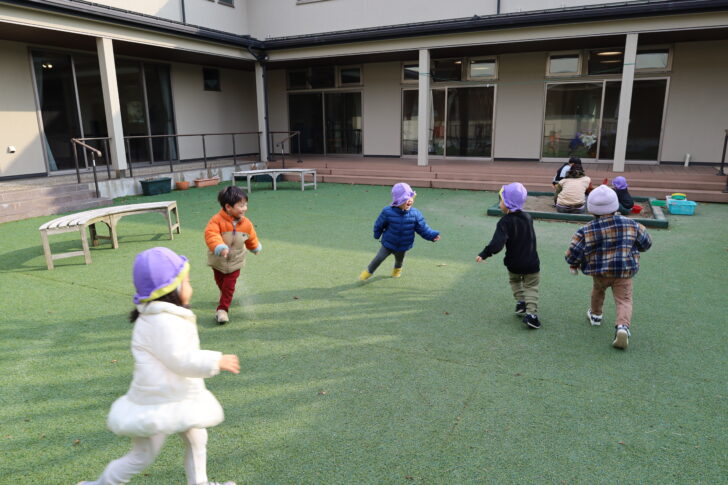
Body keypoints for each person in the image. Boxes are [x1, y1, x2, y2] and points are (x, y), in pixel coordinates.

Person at [76, 247, 240, 485]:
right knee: (142, 456)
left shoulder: (163, 316)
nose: (190, 287)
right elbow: (180, 359)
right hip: (156, 401)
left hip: (175, 395)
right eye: (186, 282)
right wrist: (216, 361)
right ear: (171, 289)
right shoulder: (163, 321)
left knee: (197, 438)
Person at [564, 185, 652, 350]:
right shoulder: (632, 224)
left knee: (598, 291)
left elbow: (574, 252)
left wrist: (573, 262)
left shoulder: (586, 230)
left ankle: (596, 315)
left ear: (591, 208)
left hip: (600, 272)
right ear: (615, 205)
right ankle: (622, 327)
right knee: (624, 300)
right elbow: (646, 243)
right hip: (624, 271)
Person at [476, 183, 542, 329]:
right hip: (531, 262)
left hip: (514, 263)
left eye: (501, 200)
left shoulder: (504, 222)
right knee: (531, 287)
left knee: (515, 281)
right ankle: (532, 315)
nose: (500, 203)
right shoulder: (528, 217)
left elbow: (497, 243)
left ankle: (521, 302)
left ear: (507, 203)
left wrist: (485, 253)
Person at [359, 182, 440, 280]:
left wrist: (431, 236)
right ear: (398, 201)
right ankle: (369, 271)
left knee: (399, 260)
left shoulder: (415, 214)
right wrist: (377, 233)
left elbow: (423, 228)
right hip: (388, 243)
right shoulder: (387, 212)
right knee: (379, 258)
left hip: (403, 245)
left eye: (411, 198)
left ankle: (397, 270)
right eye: (405, 200)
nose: (409, 201)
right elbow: (379, 224)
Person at [205, 186, 261, 324]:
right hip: (218, 260)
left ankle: (222, 310)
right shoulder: (216, 220)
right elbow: (211, 235)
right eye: (241, 206)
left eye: (245, 204)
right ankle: (225, 295)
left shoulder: (246, 223)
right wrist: (219, 246)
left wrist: (254, 247)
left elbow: (251, 237)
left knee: (229, 285)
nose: (245, 208)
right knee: (221, 282)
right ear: (228, 207)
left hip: (236, 260)